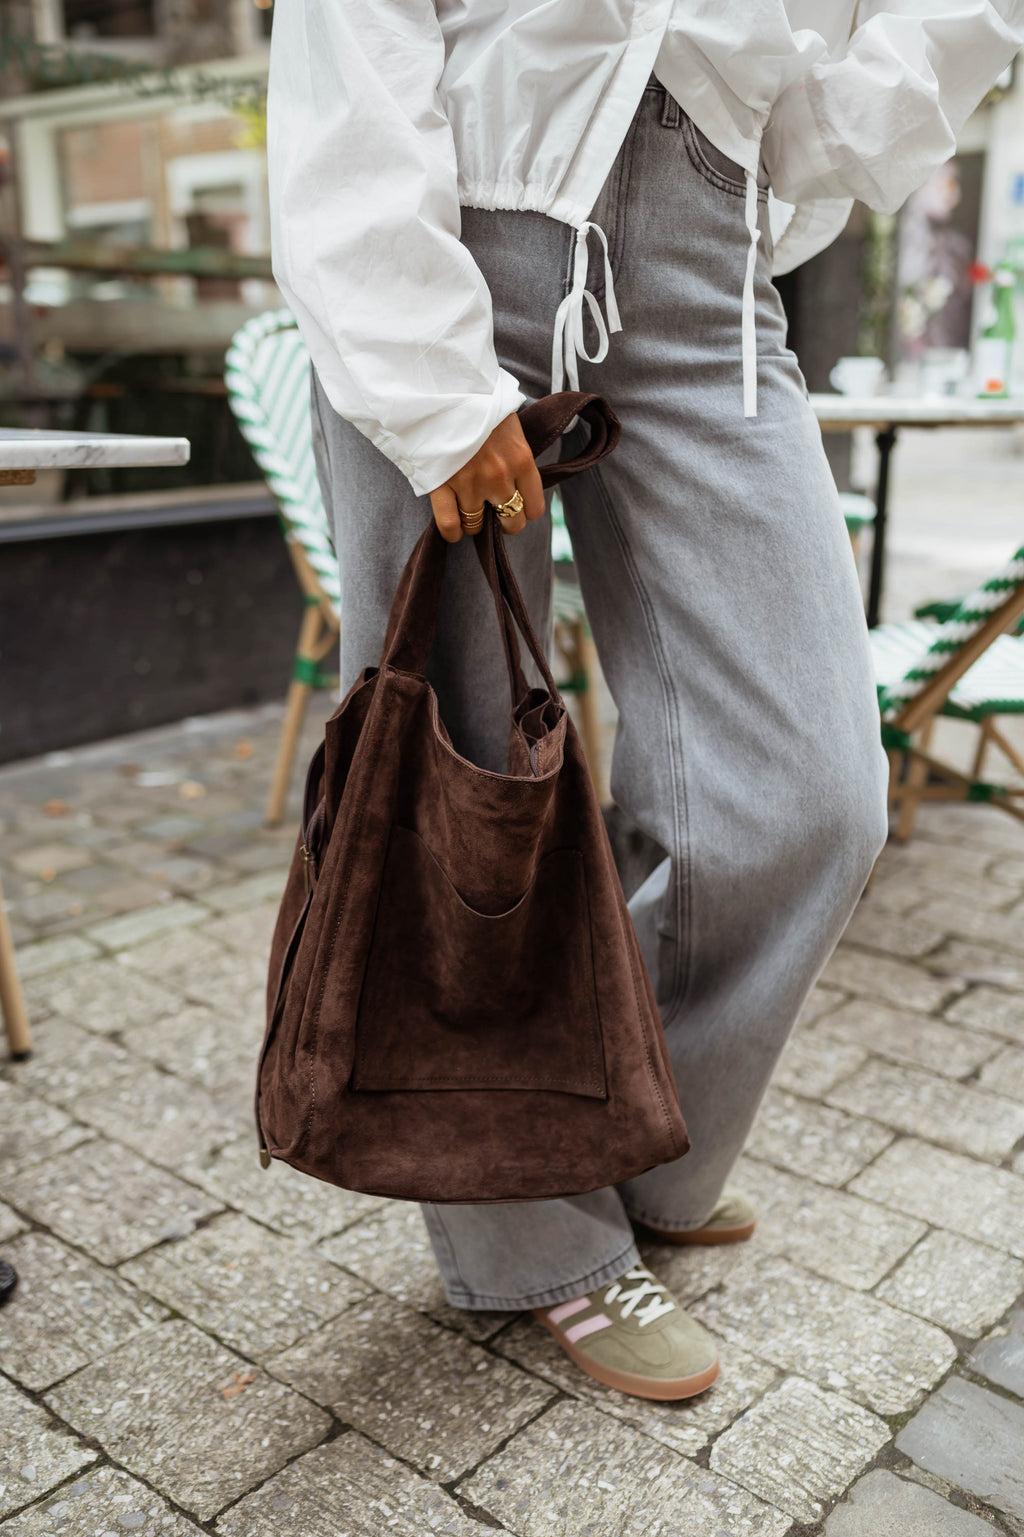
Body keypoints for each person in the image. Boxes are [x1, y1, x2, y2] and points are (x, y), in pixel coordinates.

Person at [267, 2, 1024, 1402]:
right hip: (459, 199)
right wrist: (425, 376)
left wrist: (790, 147)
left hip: (705, 239)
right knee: (468, 782)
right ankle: (538, 1230)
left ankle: (633, 1139)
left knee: (814, 790)